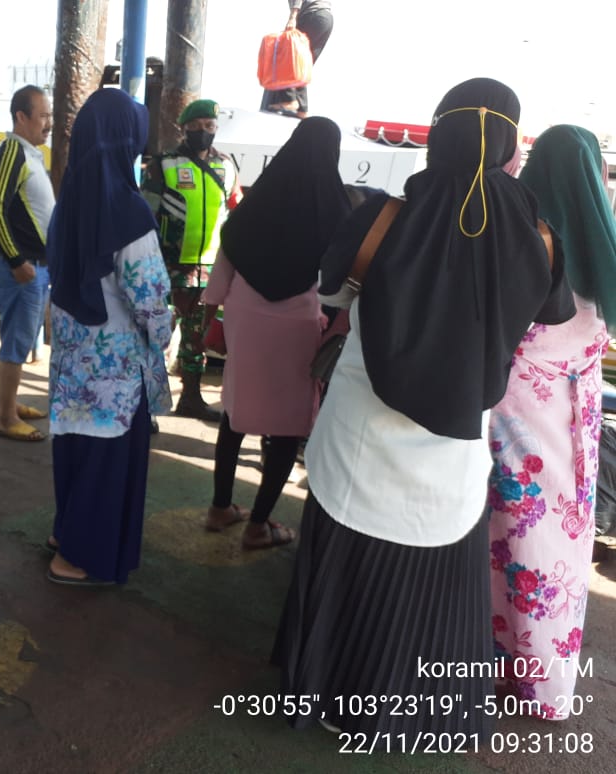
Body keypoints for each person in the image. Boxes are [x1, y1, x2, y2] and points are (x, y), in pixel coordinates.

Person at [272, 78, 575, 743]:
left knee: (347, 562)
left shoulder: (382, 215)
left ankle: (323, 692)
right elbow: (550, 314)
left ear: (439, 133)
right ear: (507, 142)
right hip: (457, 445)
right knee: (426, 587)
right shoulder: (540, 236)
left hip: (360, 430)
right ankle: (410, 713)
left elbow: (332, 292)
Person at [487, 124, 616, 718]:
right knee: (558, 549)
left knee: (503, 538)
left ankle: (485, 665)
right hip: (575, 424)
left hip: (512, 418)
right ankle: (543, 686)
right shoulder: (603, 253)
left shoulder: (521, 238)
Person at [202, 117, 349, 550]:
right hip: (300, 320)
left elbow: (224, 263)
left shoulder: (259, 200)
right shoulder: (335, 209)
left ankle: (219, 507)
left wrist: (208, 317)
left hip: (245, 314)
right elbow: (340, 284)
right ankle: (257, 525)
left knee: (236, 410)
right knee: (287, 426)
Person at [46, 87, 172, 586]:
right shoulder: (130, 212)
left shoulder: (67, 204)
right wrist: (165, 333)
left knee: (76, 453)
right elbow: (149, 299)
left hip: (72, 363)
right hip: (116, 376)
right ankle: (76, 558)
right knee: (106, 463)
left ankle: (65, 534)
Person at [141, 98, 241, 422]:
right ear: (183, 128)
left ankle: (191, 397)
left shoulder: (226, 166)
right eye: (196, 127)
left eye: (209, 127)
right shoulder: (164, 164)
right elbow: (147, 214)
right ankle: (148, 403)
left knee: (197, 337)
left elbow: (237, 212)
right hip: (167, 266)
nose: (203, 132)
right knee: (156, 334)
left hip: (209, 269)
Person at [0, 85, 54, 442]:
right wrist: (16, 261)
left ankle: (6, 405)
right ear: (21, 117)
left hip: (35, 266)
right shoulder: (13, 151)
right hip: (22, 269)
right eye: (43, 115)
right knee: (17, 341)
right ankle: (6, 417)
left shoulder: (31, 154)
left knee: (21, 339)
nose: (49, 123)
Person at [260, 1, 334, 117]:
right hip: (325, 19)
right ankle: (302, 109)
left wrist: (292, 17)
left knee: (287, 56)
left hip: (312, 15)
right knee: (301, 65)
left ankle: (289, 100)